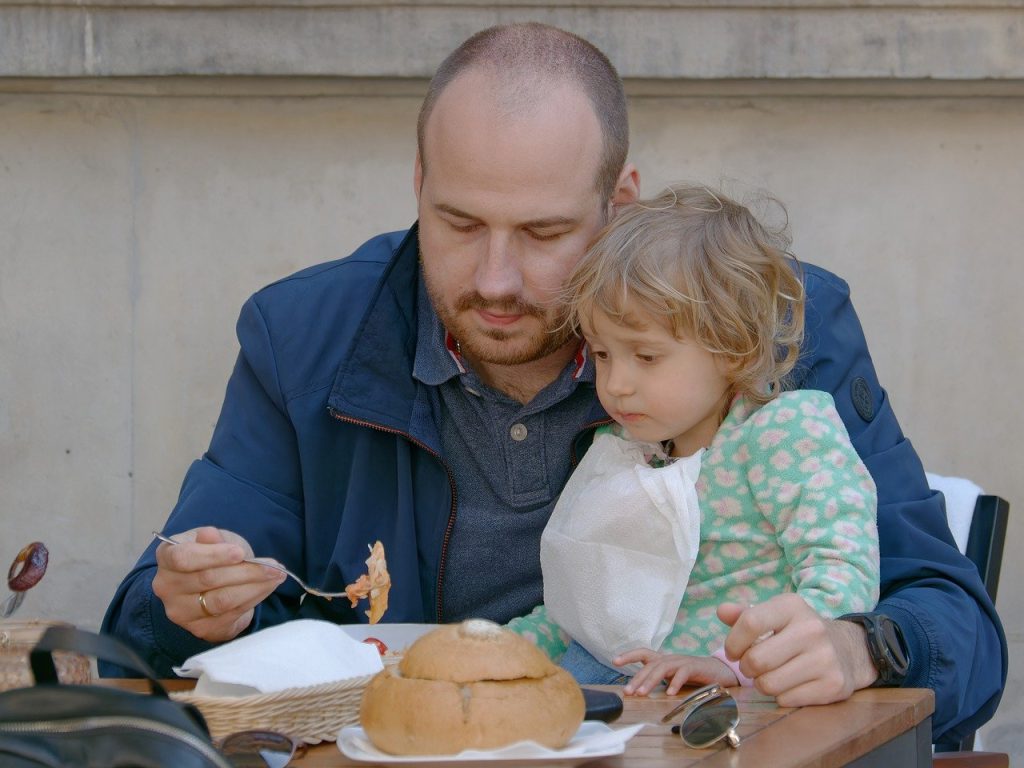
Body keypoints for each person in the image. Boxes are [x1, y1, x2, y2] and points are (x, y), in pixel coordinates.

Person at [100, 22, 1005, 744]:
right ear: (418, 185)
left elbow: (957, 623)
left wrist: (861, 647)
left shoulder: (759, 322)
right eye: (457, 223)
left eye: (541, 234)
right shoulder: (301, 337)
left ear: (622, 206)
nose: (495, 279)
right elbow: (138, 639)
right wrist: (190, 607)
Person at [510, 183, 881, 695]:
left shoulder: (782, 434)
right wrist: (493, 646)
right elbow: (577, 611)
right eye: (601, 354)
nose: (615, 384)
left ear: (732, 346)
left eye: (646, 356)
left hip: (734, 708)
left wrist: (734, 665)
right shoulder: (626, 448)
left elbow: (843, 576)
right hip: (615, 691)